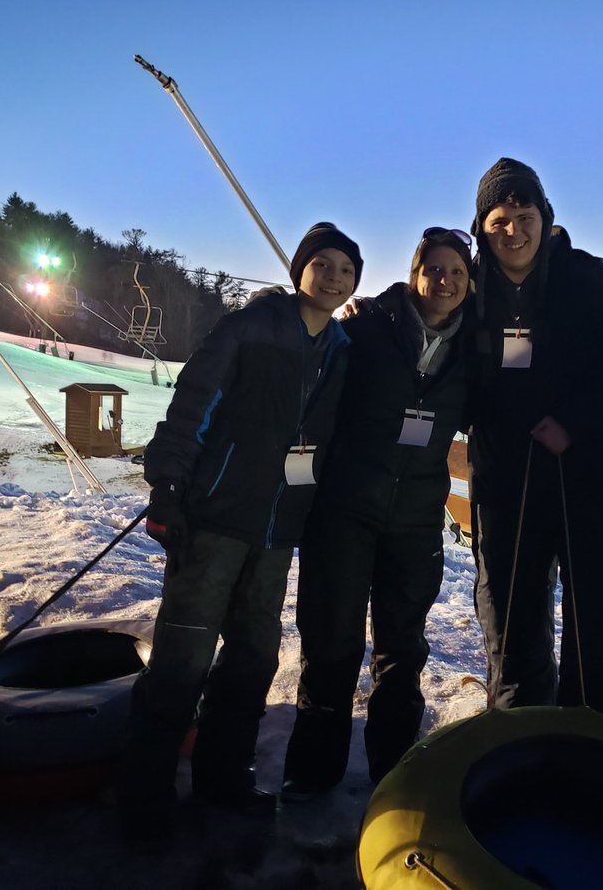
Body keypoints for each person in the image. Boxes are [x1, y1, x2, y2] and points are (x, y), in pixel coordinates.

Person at [117, 222, 361, 833]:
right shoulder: (252, 325)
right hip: (218, 517)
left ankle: (222, 781)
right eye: (322, 264)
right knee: (182, 658)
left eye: (346, 270)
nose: (333, 277)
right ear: (300, 269)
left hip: (278, 529)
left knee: (253, 658)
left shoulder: (340, 350)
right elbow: (194, 401)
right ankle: (142, 799)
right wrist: (169, 486)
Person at [281, 227, 472, 798]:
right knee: (331, 641)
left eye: (458, 273)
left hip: (415, 520)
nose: (445, 281)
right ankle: (313, 773)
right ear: (415, 274)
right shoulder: (367, 327)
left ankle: (396, 774)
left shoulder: (474, 348)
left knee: (403, 648)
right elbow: (308, 394)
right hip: (345, 509)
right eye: (435, 269)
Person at [465, 157, 603, 718]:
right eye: (499, 220)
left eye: (524, 214)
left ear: (545, 216)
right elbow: (421, 322)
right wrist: (365, 311)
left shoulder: (592, 282)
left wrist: (575, 421)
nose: (513, 231)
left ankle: (590, 728)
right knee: (510, 606)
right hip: (503, 476)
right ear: (481, 228)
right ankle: (518, 721)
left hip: (581, 473)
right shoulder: (467, 288)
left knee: (595, 609)